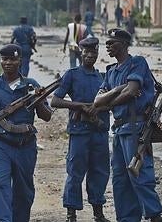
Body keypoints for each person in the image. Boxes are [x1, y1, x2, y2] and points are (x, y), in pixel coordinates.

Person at [0, 44, 53, 222]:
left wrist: (38, 99)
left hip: (25, 145)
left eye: (12, 59)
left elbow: (46, 117)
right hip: (0, 144)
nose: (8, 63)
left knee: (23, 191)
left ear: (19, 60)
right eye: (5, 59)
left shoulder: (31, 85)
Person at [93, 28, 162, 222]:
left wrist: (110, 101)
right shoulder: (110, 71)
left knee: (139, 175)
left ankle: (155, 216)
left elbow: (132, 91)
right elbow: (97, 101)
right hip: (119, 130)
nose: (107, 46)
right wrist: (117, 89)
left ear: (124, 44)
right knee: (120, 180)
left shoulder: (137, 63)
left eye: (112, 43)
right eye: (106, 43)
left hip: (136, 128)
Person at [51, 37, 111, 222]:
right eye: (86, 52)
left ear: (97, 54)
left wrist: (98, 108)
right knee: (75, 173)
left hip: (99, 132)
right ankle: (71, 214)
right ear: (80, 53)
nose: (90, 56)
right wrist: (79, 107)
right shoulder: (72, 74)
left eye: (93, 53)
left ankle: (98, 213)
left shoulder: (103, 77)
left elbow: (112, 102)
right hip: (79, 132)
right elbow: (56, 100)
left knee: (100, 172)